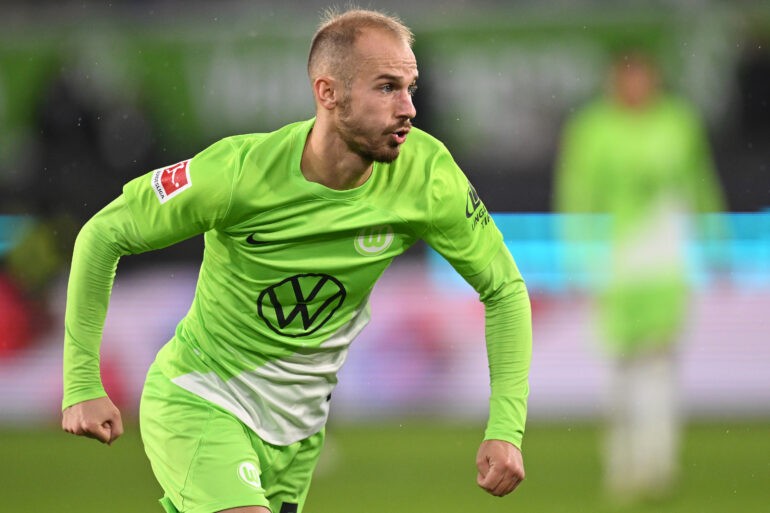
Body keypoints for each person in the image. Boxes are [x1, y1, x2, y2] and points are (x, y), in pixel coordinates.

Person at [61, 8, 532, 513]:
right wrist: (82, 382)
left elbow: (504, 289)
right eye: (386, 88)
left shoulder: (427, 174)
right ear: (328, 93)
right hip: (201, 398)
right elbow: (103, 234)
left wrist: (506, 430)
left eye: (409, 88)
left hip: (298, 434)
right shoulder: (238, 173)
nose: (408, 108)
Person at [554, 50, 725, 504]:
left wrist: (714, 239)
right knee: (618, 367)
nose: (635, 86)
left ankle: (659, 463)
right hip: (614, 258)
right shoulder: (592, 128)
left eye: (642, 76)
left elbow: (700, 183)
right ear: (613, 81)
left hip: (663, 255)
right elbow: (576, 192)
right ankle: (621, 465)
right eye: (626, 77)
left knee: (660, 361)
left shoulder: (678, 122)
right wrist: (577, 254)